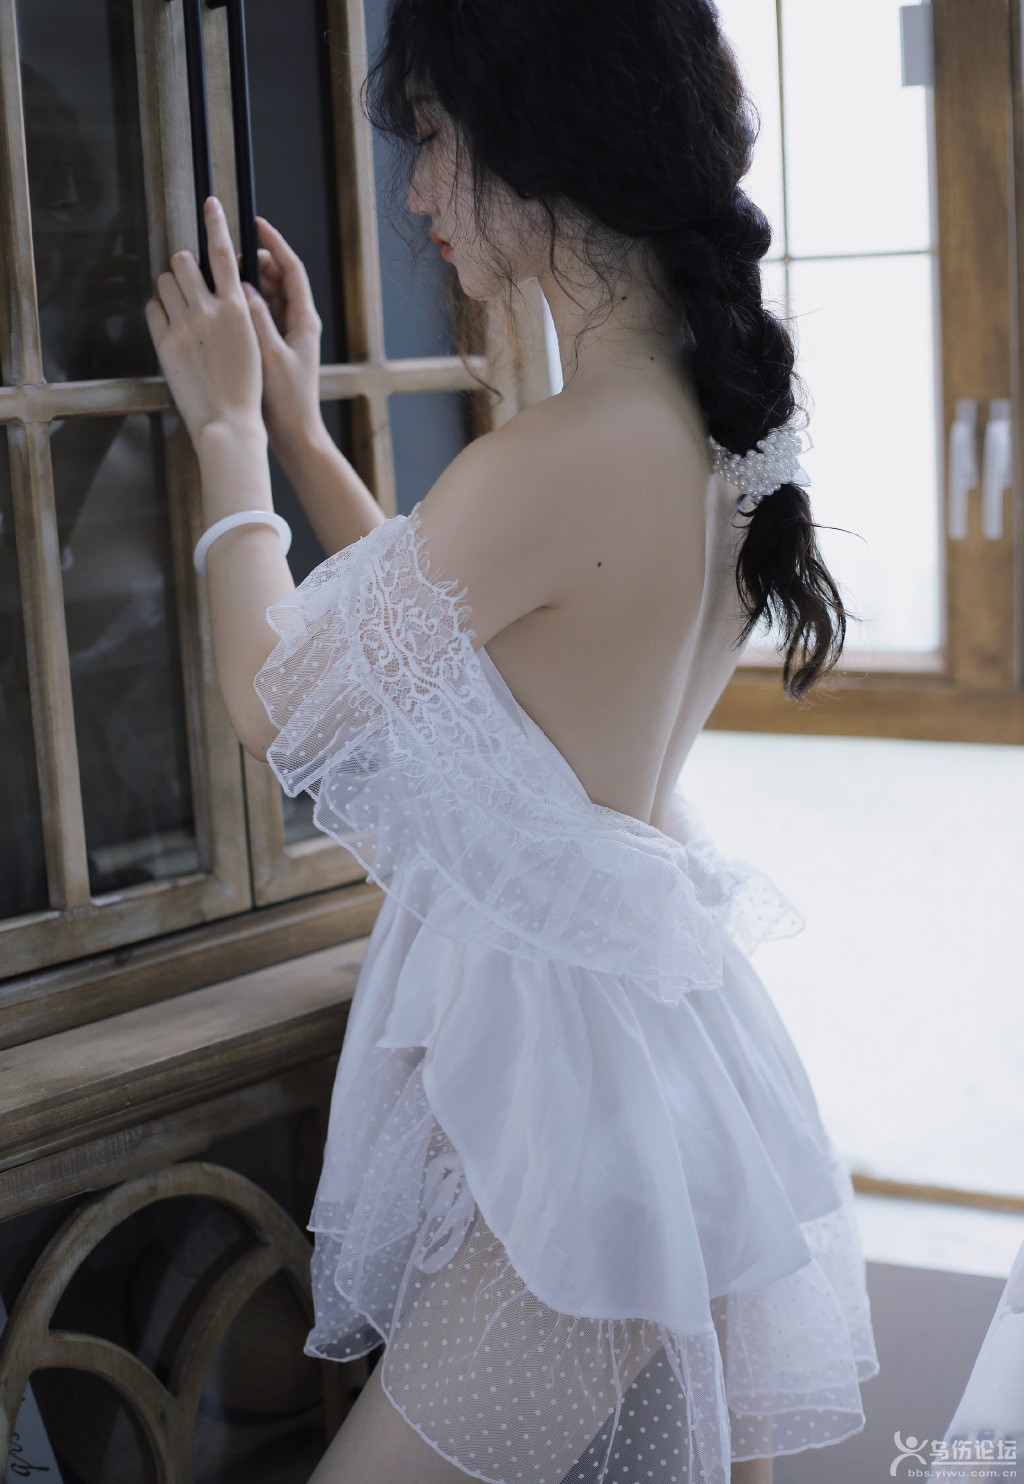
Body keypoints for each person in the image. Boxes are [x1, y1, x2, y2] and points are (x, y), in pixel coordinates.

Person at [145, 3, 879, 1480]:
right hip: (656, 1087)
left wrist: (223, 439)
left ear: (545, 139)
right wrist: (301, 433)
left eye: (434, 136)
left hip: (586, 1132)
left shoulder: (558, 453)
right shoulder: (701, 421)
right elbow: (464, 650)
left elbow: (277, 701)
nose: (417, 188)